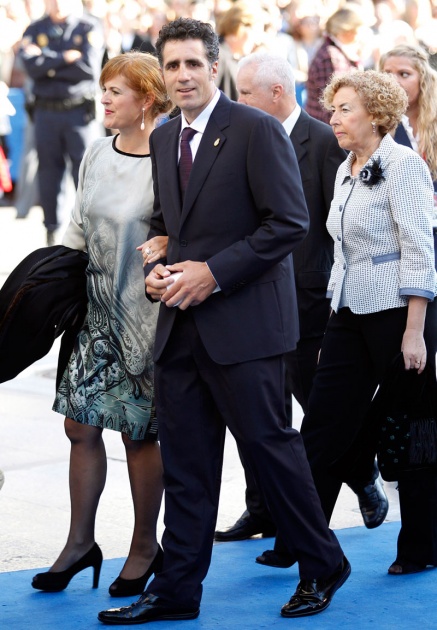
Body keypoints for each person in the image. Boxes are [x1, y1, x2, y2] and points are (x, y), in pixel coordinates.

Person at [97, 17, 350, 625]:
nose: (182, 75)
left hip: (247, 326)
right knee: (186, 463)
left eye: (193, 64)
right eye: (172, 65)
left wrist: (211, 272)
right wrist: (162, 257)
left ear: (216, 68)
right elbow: (173, 222)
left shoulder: (257, 130)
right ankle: (178, 590)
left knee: (269, 452)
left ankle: (323, 561)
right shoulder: (162, 140)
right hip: (180, 325)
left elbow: (289, 223)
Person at [214, 52, 387, 562]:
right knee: (258, 413)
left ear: (275, 92)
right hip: (252, 296)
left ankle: (362, 474)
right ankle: (262, 509)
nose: (236, 101)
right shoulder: (241, 137)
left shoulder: (322, 141)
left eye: (244, 92)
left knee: (320, 410)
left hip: (312, 300)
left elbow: (346, 222)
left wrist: (342, 293)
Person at [31, 51, 172, 596]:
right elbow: (75, 230)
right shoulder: (95, 152)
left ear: (147, 101)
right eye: (104, 89)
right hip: (93, 314)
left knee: (139, 436)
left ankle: (144, 547)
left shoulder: (169, 157)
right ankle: (79, 544)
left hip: (146, 320)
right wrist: (41, 287)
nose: (105, 99)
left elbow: (189, 231)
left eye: (117, 91)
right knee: (80, 427)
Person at [298, 69, 437, 575]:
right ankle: (306, 540)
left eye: (344, 110)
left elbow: (420, 251)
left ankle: (421, 547)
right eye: (332, 109)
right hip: (350, 314)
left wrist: (415, 331)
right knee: (320, 427)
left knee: (412, 430)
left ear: (376, 117)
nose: (333, 118)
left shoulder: (403, 165)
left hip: (401, 316)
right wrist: (335, 315)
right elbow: (343, 252)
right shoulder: (345, 168)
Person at [18, 0, 105, 246]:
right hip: (46, 112)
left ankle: (90, 232)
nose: (56, 3)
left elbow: (88, 68)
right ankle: (52, 230)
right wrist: (64, 57)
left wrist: (46, 61)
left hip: (79, 113)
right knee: (48, 172)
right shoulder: (35, 29)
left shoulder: (88, 26)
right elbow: (29, 66)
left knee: (86, 173)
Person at [379, 44, 437, 193]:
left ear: (423, 78)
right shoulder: (376, 124)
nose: (394, 81)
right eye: (387, 73)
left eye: (404, 74)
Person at [305, 4, 365, 124]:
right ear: (348, 31)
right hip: (325, 127)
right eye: (357, 31)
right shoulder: (330, 56)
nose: (359, 36)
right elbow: (334, 102)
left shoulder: (335, 51)